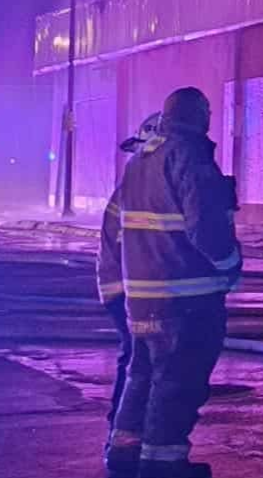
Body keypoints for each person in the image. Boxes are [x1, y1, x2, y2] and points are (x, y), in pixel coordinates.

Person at [110, 88, 242, 478]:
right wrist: (230, 264)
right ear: (199, 116)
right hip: (186, 298)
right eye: (207, 113)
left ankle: (124, 451)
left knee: (142, 375)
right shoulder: (189, 155)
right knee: (179, 383)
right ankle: (163, 465)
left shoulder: (140, 160)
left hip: (142, 296)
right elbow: (206, 226)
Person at [99, 112, 164, 478]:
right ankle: (124, 440)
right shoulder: (139, 188)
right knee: (140, 362)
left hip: (129, 289)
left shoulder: (137, 184)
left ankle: (128, 439)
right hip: (131, 291)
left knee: (140, 361)